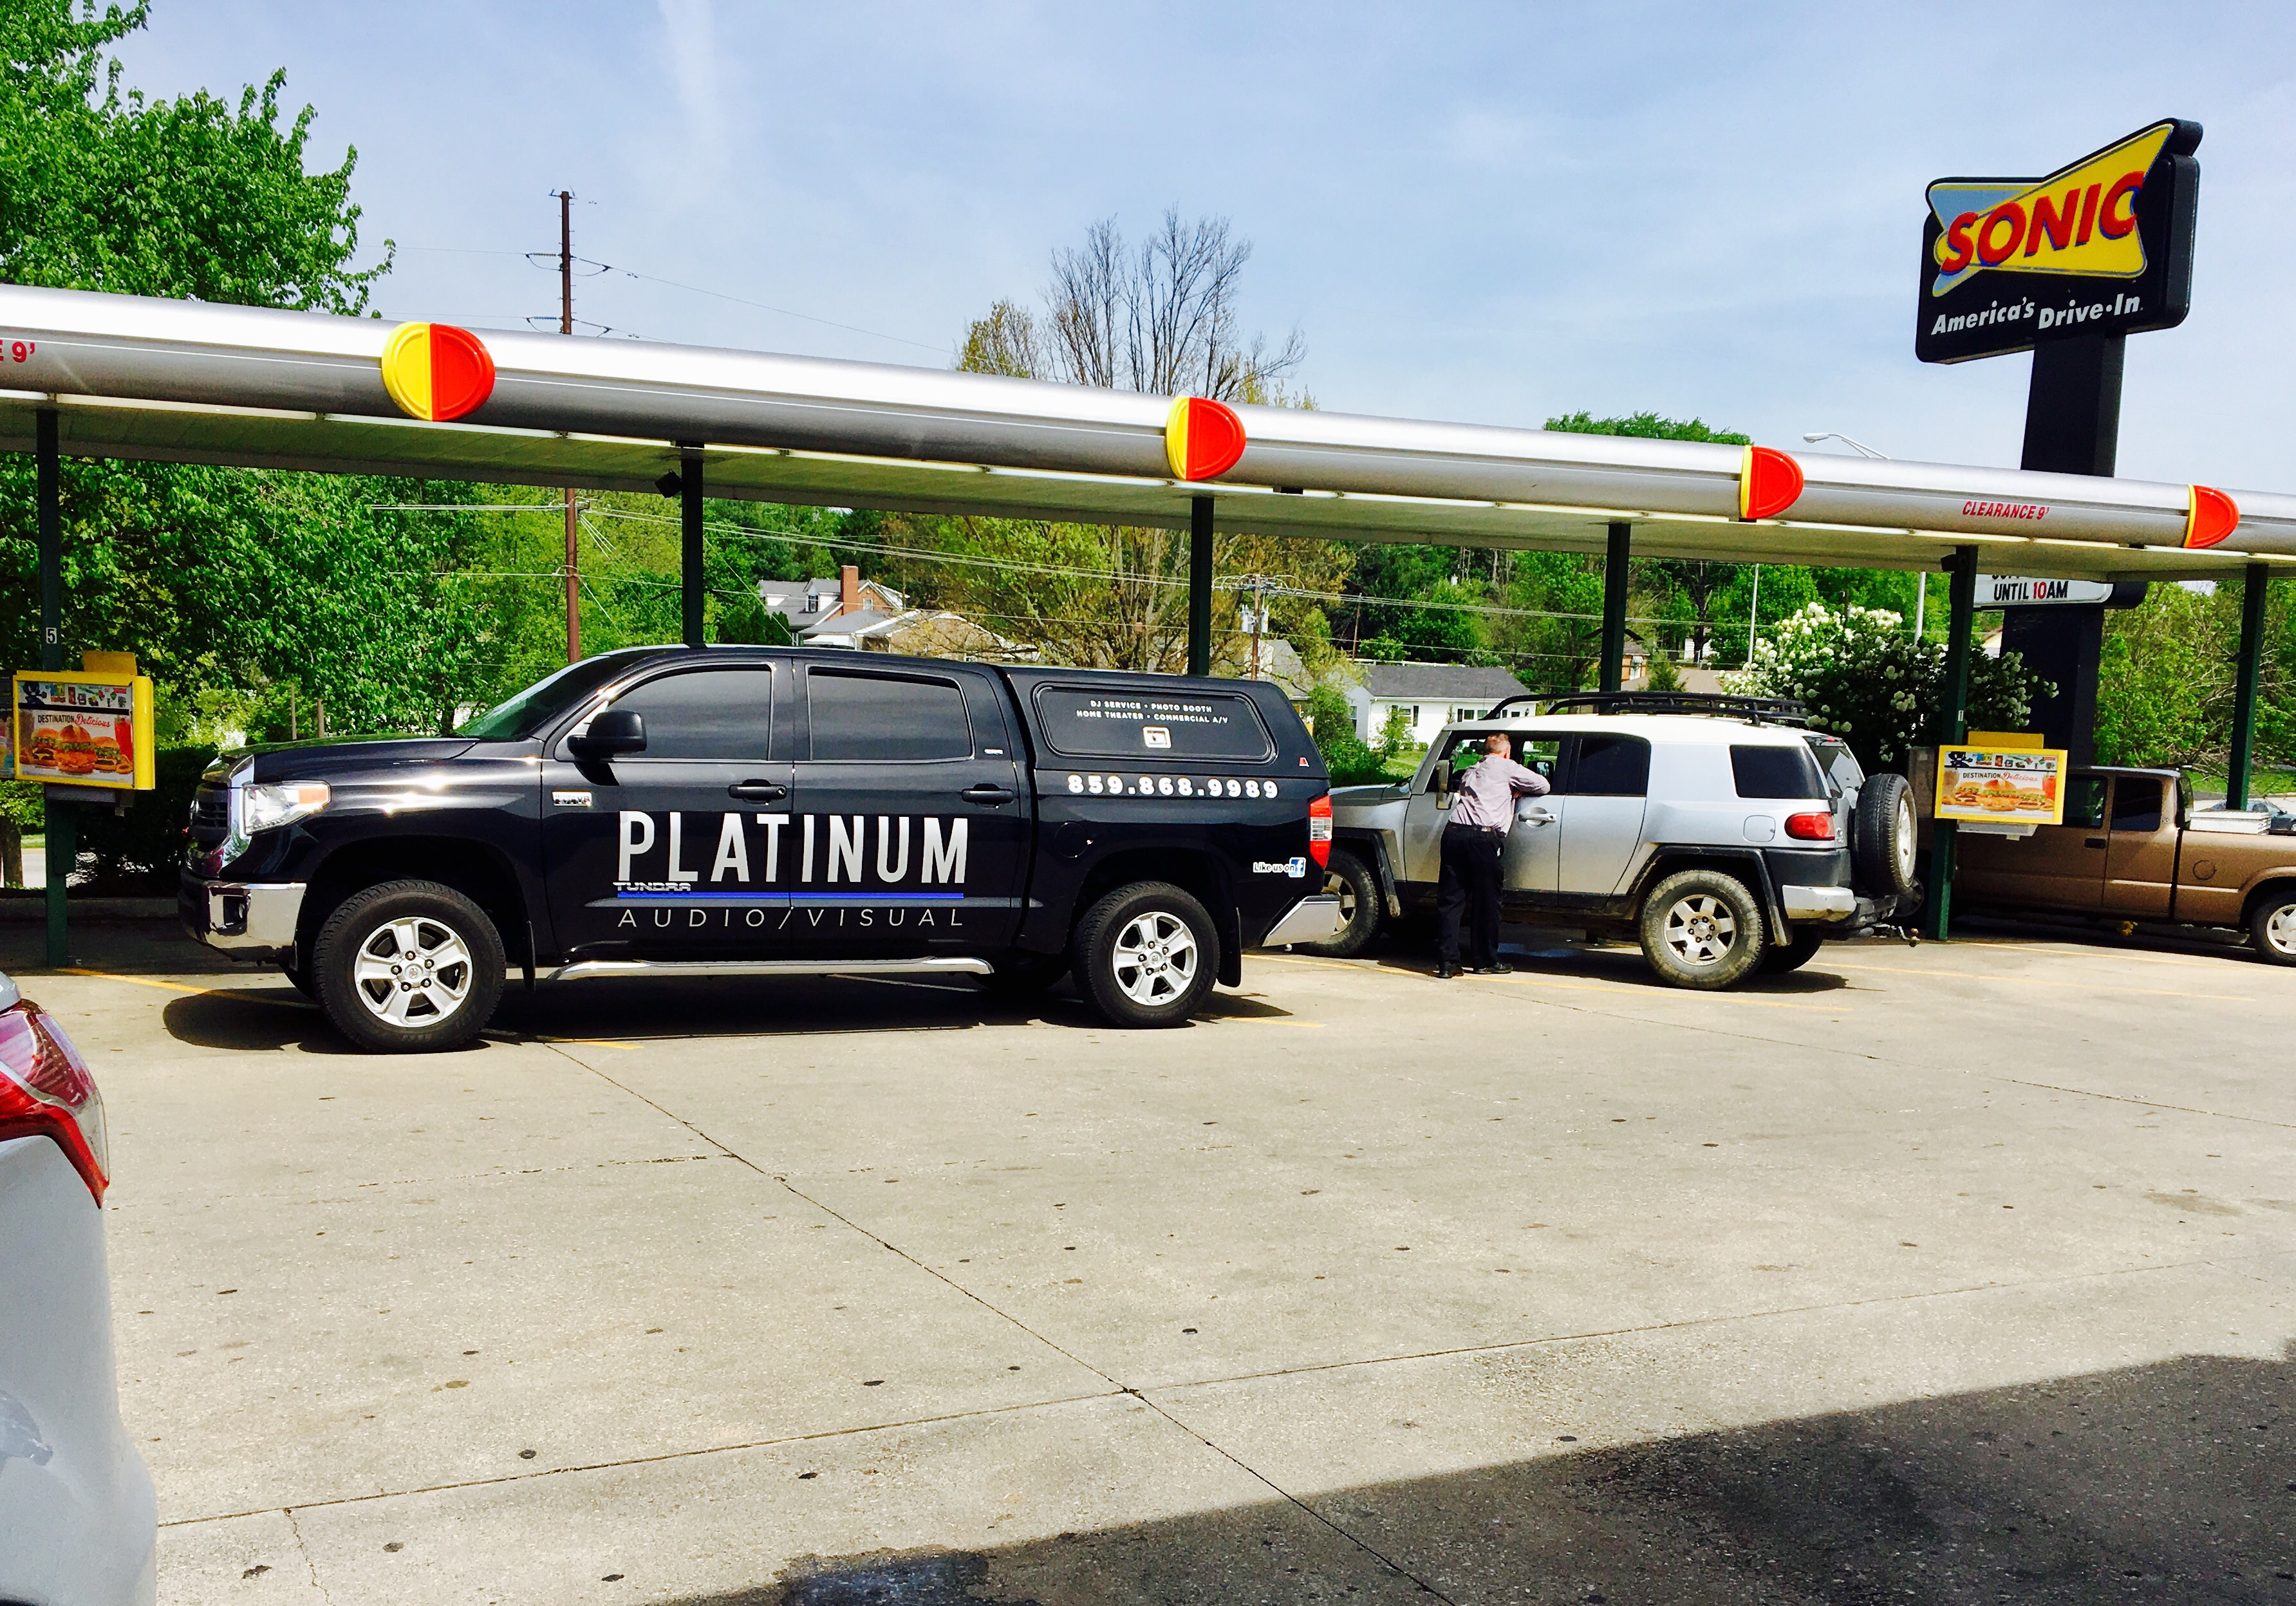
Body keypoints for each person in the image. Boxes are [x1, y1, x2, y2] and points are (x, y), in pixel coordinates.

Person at [1436, 732, 1549, 978]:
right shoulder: (1508, 768)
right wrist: (1517, 790)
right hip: (1483, 839)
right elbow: (1543, 785)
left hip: (1454, 833)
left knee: (1451, 901)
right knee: (1487, 902)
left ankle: (1447, 963)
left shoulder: (1471, 770)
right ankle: (1485, 960)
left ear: (1485, 751)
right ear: (1506, 752)